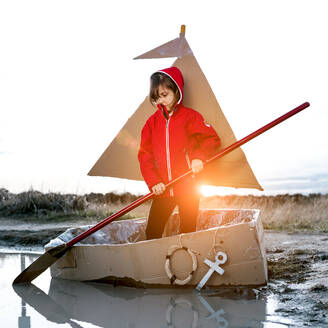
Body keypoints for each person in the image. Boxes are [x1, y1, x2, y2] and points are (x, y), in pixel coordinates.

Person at [138, 67, 221, 239]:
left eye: (164, 95)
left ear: (177, 91)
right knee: (153, 230)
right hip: (163, 189)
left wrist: (199, 157)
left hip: (189, 187)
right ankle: (155, 262)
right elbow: (144, 156)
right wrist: (154, 182)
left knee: (188, 229)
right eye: (156, 98)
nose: (160, 101)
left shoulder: (190, 117)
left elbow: (211, 139)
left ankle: (188, 262)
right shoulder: (151, 124)